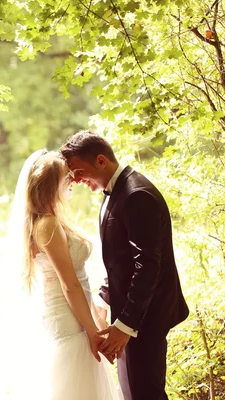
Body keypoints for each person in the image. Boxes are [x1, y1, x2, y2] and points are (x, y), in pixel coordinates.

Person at [0, 149, 122, 400]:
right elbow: (69, 285)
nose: (73, 181)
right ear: (50, 186)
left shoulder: (56, 220)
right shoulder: (47, 224)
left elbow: (81, 282)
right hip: (67, 321)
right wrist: (93, 334)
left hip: (78, 314)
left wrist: (97, 324)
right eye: (66, 178)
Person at [60, 130, 189, 400]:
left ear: (100, 161)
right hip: (130, 312)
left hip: (146, 316)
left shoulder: (136, 195)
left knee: (145, 394)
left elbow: (148, 266)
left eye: (79, 171)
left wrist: (126, 325)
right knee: (133, 392)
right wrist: (104, 300)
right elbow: (121, 260)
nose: (76, 179)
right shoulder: (114, 192)